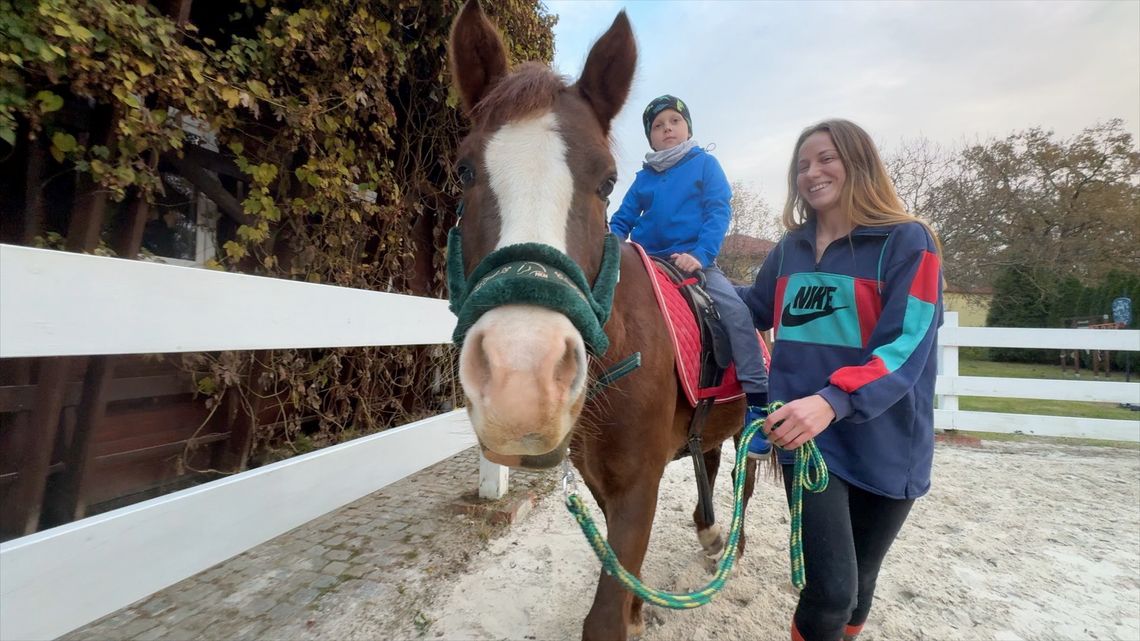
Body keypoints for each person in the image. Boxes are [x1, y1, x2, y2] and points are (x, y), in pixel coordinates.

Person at [736, 119, 943, 641]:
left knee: (860, 584)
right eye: (802, 165)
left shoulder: (907, 242)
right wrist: (692, 281)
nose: (812, 172)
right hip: (808, 438)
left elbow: (905, 343)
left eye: (826, 158)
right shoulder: (789, 250)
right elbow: (755, 309)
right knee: (829, 590)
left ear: (858, 162)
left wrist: (832, 399)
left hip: (888, 440)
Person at [608, 95, 771, 452]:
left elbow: (717, 211)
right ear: (650, 138)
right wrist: (609, 247)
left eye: (674, 121)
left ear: (687, 128)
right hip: (647, 262)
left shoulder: (704, 165)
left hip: (694, 262)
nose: (667, 128)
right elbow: (623, 219)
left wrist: (700, 254)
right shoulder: (644, 178)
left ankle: (757, 402)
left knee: (736, 313)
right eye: (658, 125)